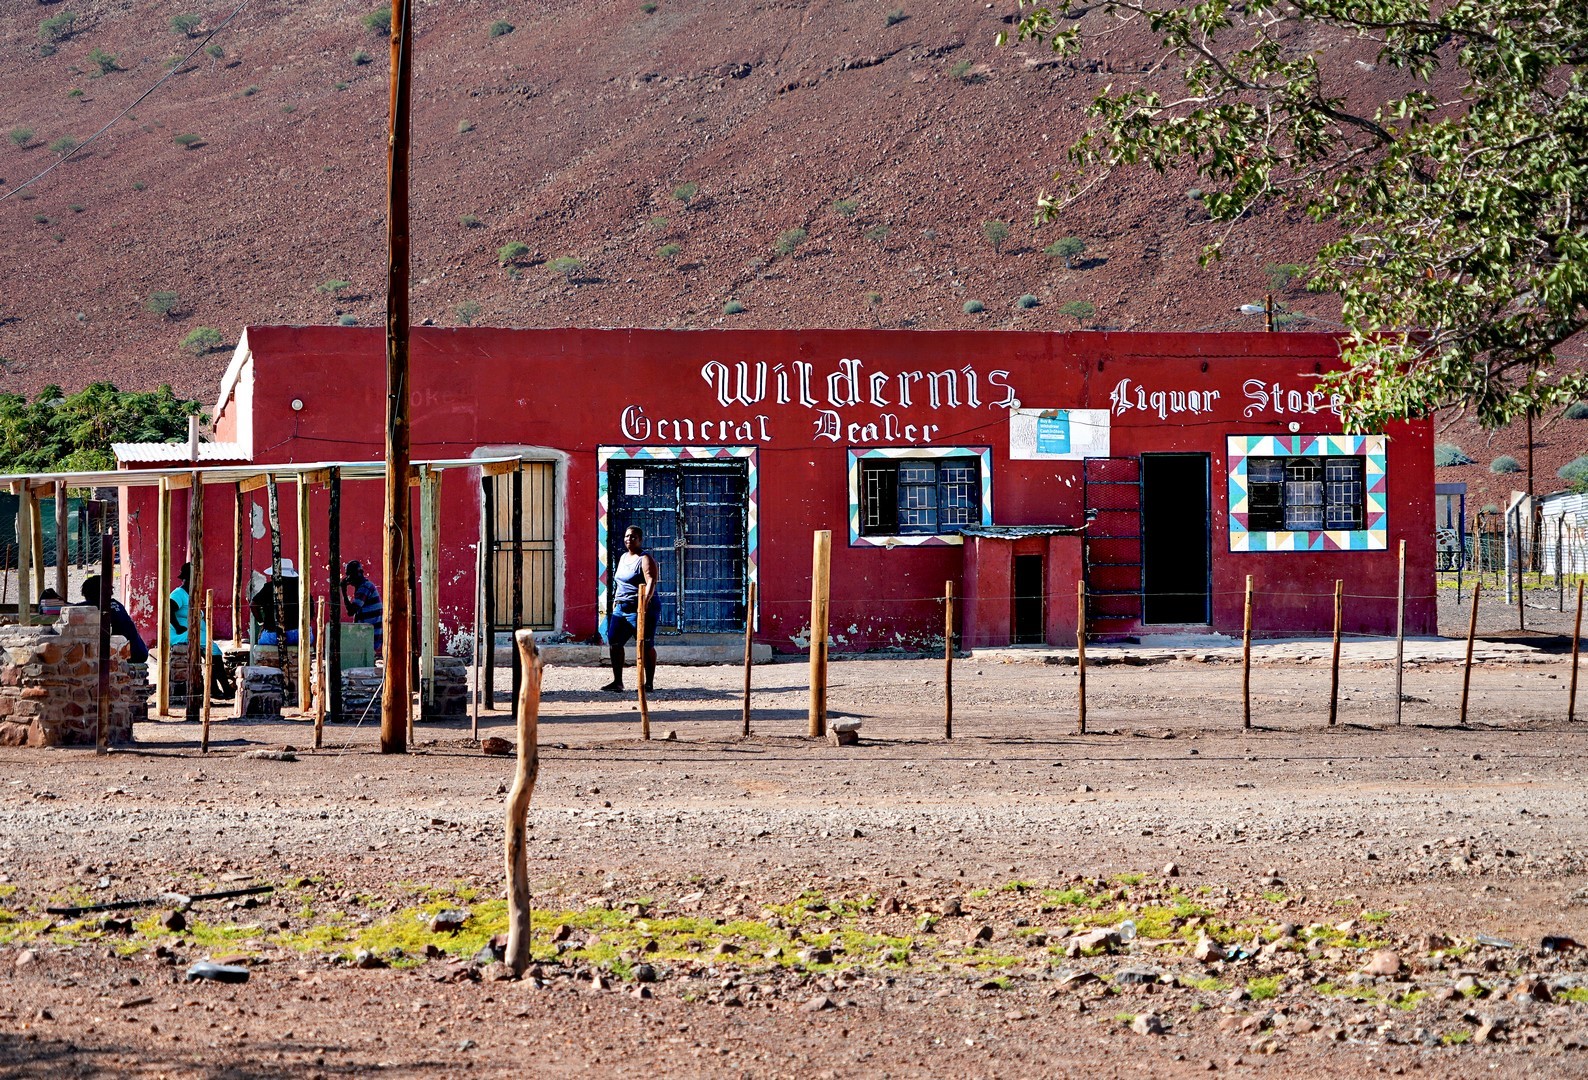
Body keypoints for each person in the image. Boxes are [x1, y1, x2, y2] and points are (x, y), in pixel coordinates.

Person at [602, 526, 659, 692]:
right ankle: (617, 682)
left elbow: (651, 581)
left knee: (645, 644)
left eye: (633, 537)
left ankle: (648, 683)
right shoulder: (623, 557)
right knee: (614, 642)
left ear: (640, 540)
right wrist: (616, 600)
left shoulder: (645, 558)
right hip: (621, 608)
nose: (629, 539)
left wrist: (645, 601)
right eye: (627, 536)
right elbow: (620, 582)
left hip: (641, 608)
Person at [169, 562, 234, 698]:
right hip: (181, 634)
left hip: (194, 633)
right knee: (213, 650)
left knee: (211, 652)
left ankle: (213, 687)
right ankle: (223, 688)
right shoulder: (179, 594)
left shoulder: (191, 593)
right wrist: (178, 627)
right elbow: (168, 610)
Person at [80, 575, 149, 665]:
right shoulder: (117, 604)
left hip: (130, 656)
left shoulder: (98, 605)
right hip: (140, 652)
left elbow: (78, 607)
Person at [341, 559, 383, 652]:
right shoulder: (364, 586)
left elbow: (351, 611)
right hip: (368, 633)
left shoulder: (364, 587)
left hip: (369, 635)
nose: (348, 578)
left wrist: (344, 592)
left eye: (350, 575)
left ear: (359, 574)